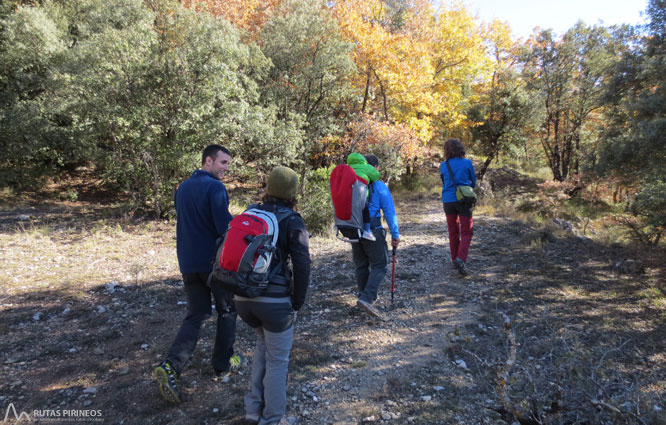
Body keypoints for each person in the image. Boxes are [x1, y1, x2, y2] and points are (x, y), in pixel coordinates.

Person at [154, 144, 241, 404]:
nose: (227, 169)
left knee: (197, 314)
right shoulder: (215, 188)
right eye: (223, 163)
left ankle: (171, 367)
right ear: (208, 161)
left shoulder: (182, 188)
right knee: (227, 311)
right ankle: (222, 364)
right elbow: (223, 227)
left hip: (188, 263)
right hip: (214, 264)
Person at [234, 166, 311, 425]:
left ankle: (253, 412)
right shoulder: (292, 220)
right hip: (275, 303)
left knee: (263, 347)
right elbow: (302, 264)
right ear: (292, 191)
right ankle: (273, 419)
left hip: (243, 298)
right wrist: (297, 302)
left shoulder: (250, 213)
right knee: (278, 360)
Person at [352, 154, 400, 319]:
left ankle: (363, 297)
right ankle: (367, 298)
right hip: (373, 230)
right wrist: (395, 234)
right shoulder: (379, 186)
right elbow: (389, 212)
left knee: (361, 264)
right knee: (380, 264)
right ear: (376, 168)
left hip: (354, 229)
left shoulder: (353, 184)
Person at [439, 138, 476, 276]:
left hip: (448, 200)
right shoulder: (467, 163)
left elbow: (444, 181)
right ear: (461, 148)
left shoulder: (444, 164)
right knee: (467, 230)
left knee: (453, 230)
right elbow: (473, 182)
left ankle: (455, 258)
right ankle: (461, 258)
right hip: (464, 200)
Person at [346, 152, 381, 241]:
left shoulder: (347, 168)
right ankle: (367, 231)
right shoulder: (366, 167)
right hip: (361, 196)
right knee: (365, 212)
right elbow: (376, 176)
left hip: (348, 197)